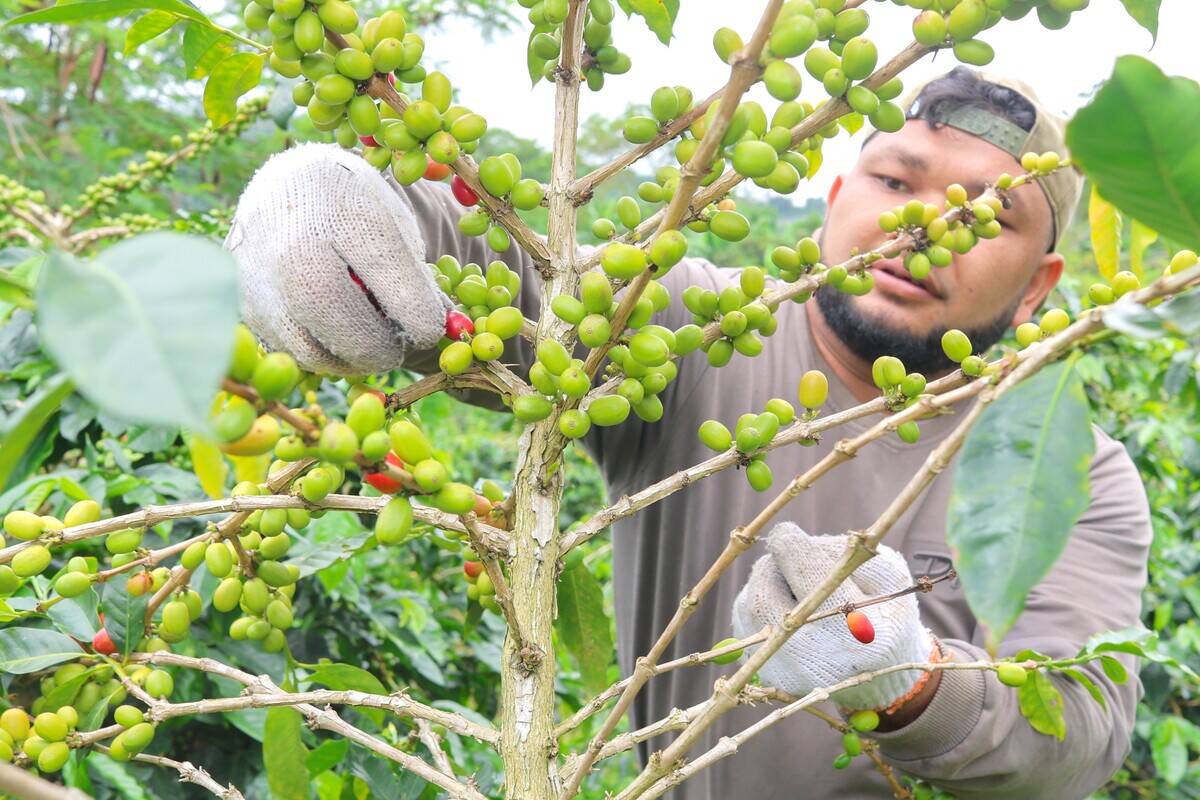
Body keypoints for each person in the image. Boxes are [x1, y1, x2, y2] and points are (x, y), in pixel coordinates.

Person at [225, 67, 1151, 798]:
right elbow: (512, 282)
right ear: (834, 196)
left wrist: (908, 683)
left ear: (1041, 285)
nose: (921, 227)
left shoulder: (1077, 473)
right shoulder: (695, 329)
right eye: (895, 180)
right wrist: (352, 209)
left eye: (988, 216)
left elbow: (1082, 735)